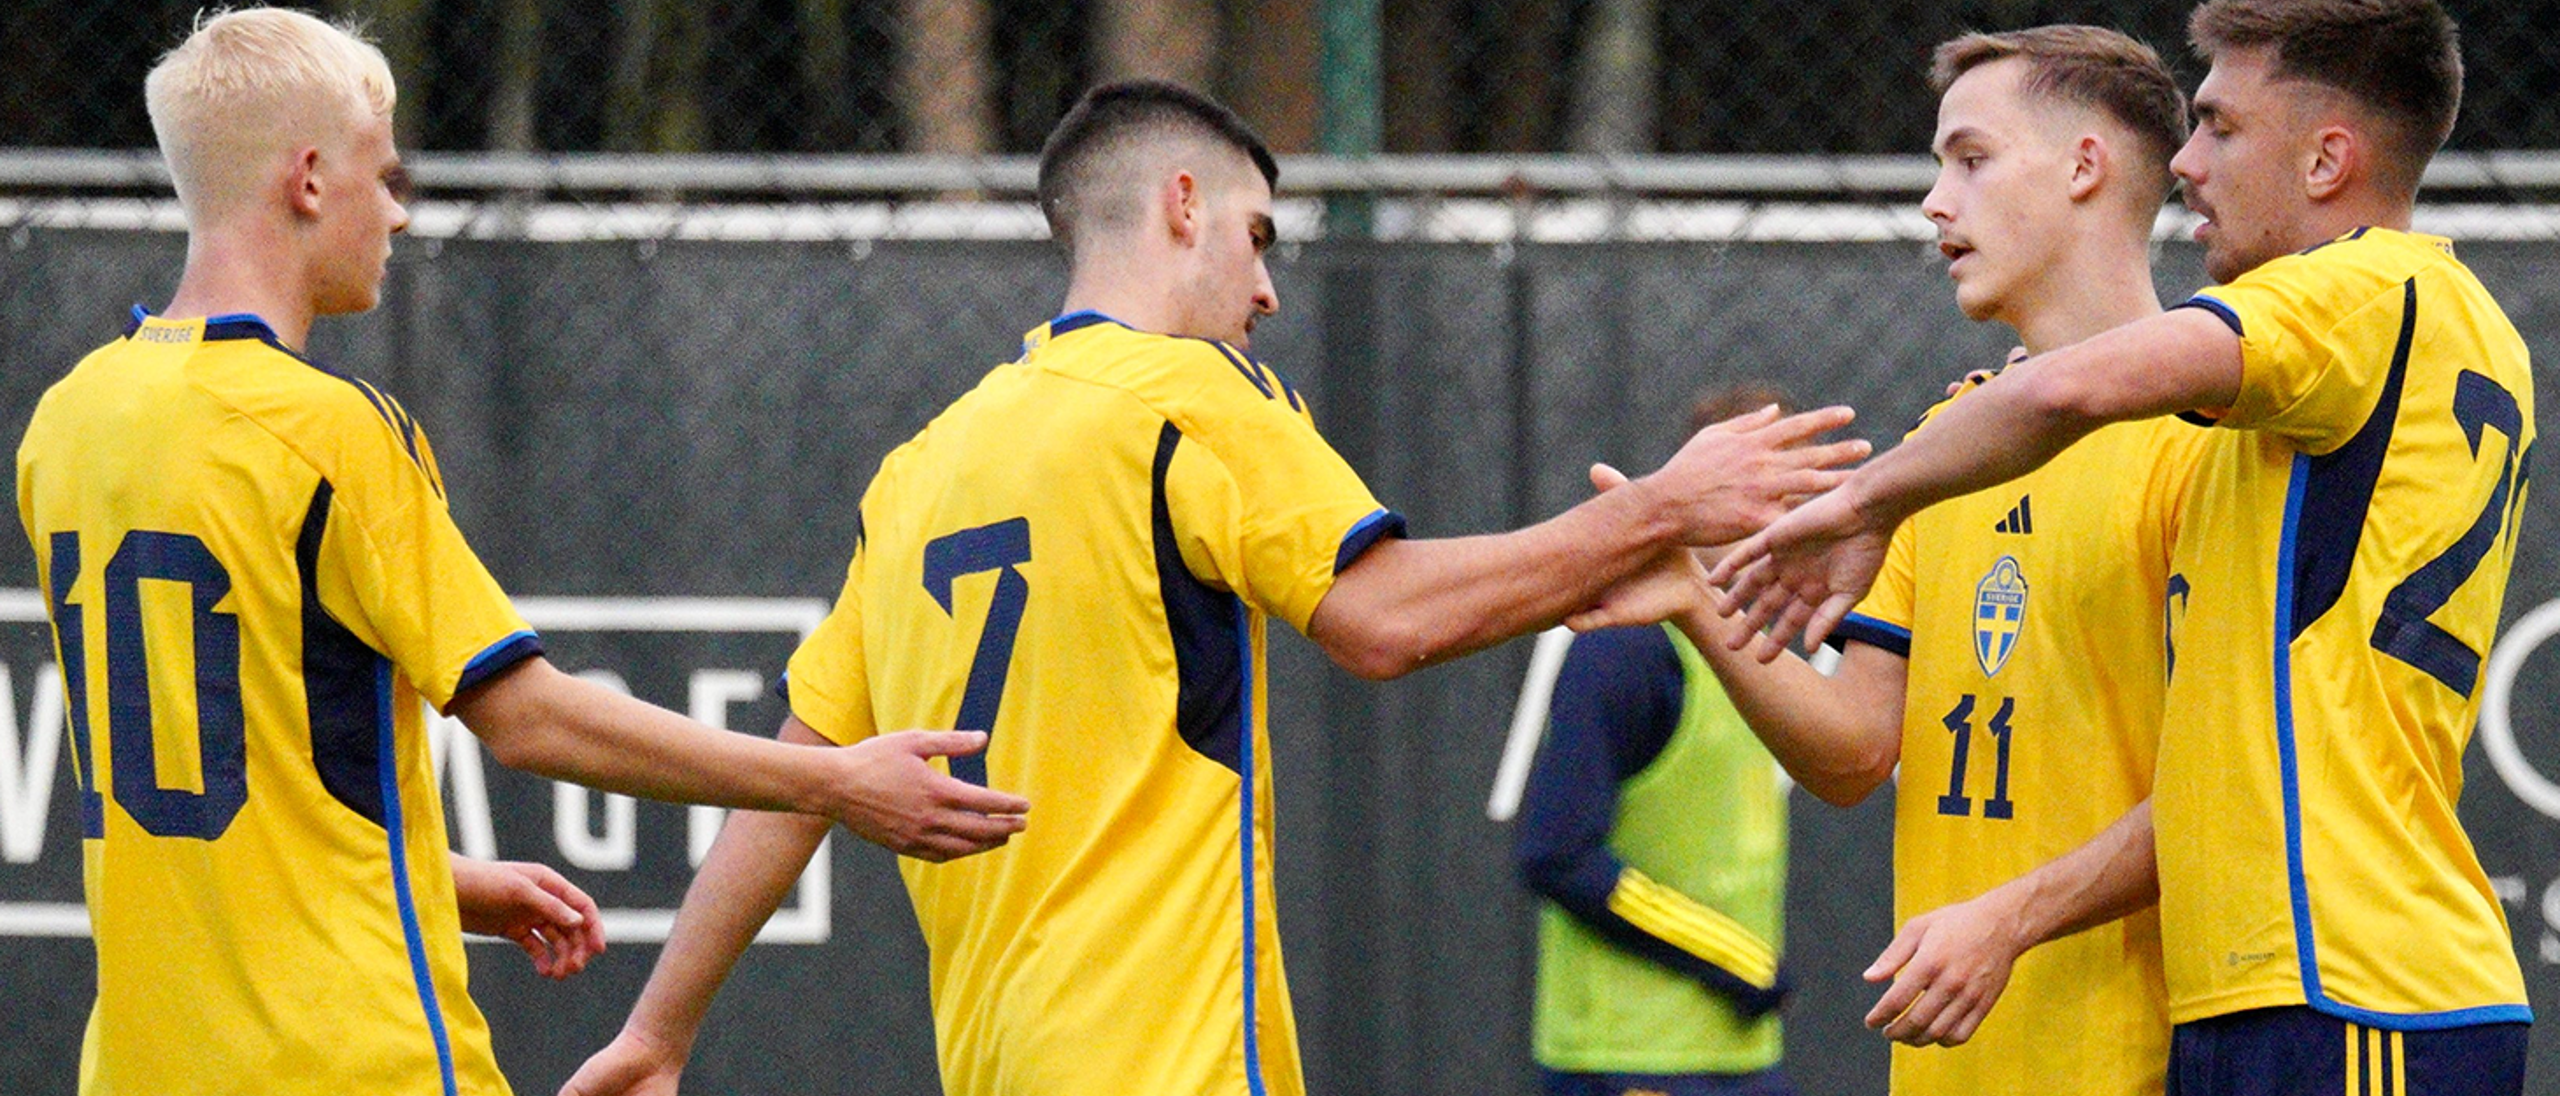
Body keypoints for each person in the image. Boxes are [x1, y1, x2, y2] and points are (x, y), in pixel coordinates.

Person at [563, 80, 1867, 1096]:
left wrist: (660, 1029)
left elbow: (797, 775)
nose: (1266, 288)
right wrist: (1655, 510)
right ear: (1182, 205)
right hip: (1166, 1065)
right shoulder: (1189, 392)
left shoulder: (921, 468)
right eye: (1257, 237)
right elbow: (1383, 618)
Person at [13, 10, 1028, 1095]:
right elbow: (529, 718)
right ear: (308, 179)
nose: (397, 212)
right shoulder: (328, 433)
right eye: (384, 177)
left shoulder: (69, 423)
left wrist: (437, 878)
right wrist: (835, 779)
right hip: (352, 1060)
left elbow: (221, 777)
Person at [1713, 1, 2534, 1092]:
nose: (2189, 161)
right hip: (2278, 984)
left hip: (2347, 978)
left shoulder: (2351, 301)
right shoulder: (2342, 375)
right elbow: (1859, 742)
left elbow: (2066, 389)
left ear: (2327, 159)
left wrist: (1866, 500)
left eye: (2221, 127)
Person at [1585, 26, 2203, 1093]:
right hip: (1948, 1066)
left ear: (2084, 168)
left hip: (2138, 1061)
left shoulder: (2205, 441)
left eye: (1970, 159)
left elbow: (2228, 789)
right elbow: (1855, 753)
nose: (1933, 202)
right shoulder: (1944, 446)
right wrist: (1693, 596)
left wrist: (2008, 920)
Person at [1515, 386, 1800, 1096]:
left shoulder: (1752, 640)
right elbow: (1558, 853)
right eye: (1761, 490)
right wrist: (1733, 960)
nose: (1786, 514)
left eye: (1798, 490)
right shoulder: (1629, 648)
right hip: (1630, 1062)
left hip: (1740, 1058)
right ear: (1699, 495)